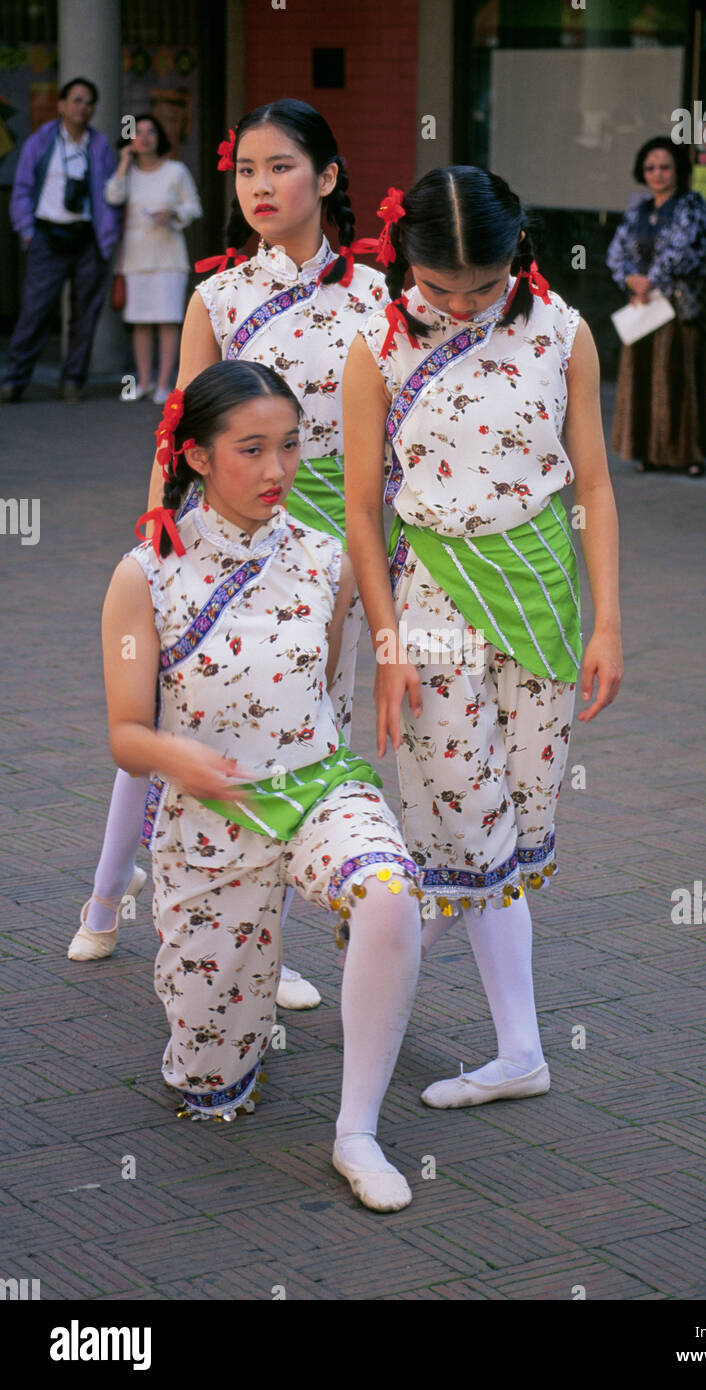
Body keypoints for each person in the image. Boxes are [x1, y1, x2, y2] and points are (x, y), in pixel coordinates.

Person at [67, 99, 386, 1013]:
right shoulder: (219, 294)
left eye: (279, 167)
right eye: (245, 170)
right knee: (171, 726)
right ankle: (105, 894)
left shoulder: (373, 295)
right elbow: (178, 428)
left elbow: (387, 442)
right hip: (214, 531)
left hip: (320, 549)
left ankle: (261, 936)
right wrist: (161, 529)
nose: (258, 186)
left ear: (326, 178)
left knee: (300, 734)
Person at [104, 358, 422, 1211]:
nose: (278, 469)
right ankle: (223, 1033)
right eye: (251, 449)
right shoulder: (146, 573)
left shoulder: (325, 560)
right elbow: (126, 736)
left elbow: (319, 692)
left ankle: (357, 1130)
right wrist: (186, 761)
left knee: (390, 895)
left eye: (289, 445)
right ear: (199, 456)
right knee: (210, 1089)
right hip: (207, 816)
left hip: (316, 785)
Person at [344, 167, 623, 1110]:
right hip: (428, 603)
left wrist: (609, 621)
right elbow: (360, 512)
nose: (460, 305)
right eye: (439, 286)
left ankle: (380, 965)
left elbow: (590, 486)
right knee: (471, 818)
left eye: (482, 284)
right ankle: (520, 1051)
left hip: (542, 598)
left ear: (518, 254)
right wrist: (383, 648)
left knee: (512, 820)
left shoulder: (564, 333)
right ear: (402, 261)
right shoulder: (374, 347)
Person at [2, 78, 120, 403]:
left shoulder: (98, 147)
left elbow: (111, 194)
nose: (82, 107)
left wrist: (107, 238)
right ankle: (14, 381)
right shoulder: (41, 141)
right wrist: (27, 231)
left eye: (88, 102)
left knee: (84, 316)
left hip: (87, 240)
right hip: (46, 236)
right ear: (62, 105)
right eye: (77, 100)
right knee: (35, 312)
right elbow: (22, 187)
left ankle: (73, 382)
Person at [606, 136, 706, 476]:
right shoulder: (639, 209)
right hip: (643, 305)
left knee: (680, 378)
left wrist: (649, 280)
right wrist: (630, 279)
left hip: (676, 306)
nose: (658, 174)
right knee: (643, 378)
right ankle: (646, 451)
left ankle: (688, 456)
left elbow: (683, 251)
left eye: (665, 167)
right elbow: (616, 252)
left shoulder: (692, 205)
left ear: (678, 169)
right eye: (651, 168)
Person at [105, 113, 202, 404]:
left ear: (160, 137)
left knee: (167, 320)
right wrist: (123, 161)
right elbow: (112, 196)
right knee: (140, 322)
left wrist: (172, 213)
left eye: (151, 131)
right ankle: (144, 381)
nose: (144, 137)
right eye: (138, 132)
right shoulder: (127, 173)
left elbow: (194, 207)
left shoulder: (175, 170)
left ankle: (165, 383)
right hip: (134, 257)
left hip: (169, 256)